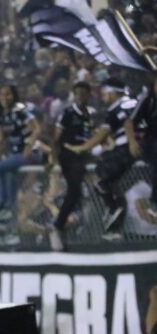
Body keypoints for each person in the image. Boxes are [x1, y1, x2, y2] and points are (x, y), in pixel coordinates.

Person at [66, 78, 140, 236]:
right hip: (144, 145)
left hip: (126, 147)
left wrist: (82, 148)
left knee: (99, 178)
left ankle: (114, 207)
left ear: (112, 93)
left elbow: (105, 133)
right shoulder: (135, 102)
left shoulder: (118, 108)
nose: (102, 96)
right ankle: (115, 215)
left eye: (104, 93)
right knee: (109, 180)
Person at [0, 84, 42, 220]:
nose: (5, 97)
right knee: (10, 175)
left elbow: (36, 129)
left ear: (14, 96)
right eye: (2, 94)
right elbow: (0, 136)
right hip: (15, 153)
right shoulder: (0, 114)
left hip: (29, 152)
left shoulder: (20, 110)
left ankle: (2, 204)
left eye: (8, 94)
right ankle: (10, 212)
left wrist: (29, 146)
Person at [48, 81, 96, 251]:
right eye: (77, 94)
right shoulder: (67, 113)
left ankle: (63, 228)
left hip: (84, 154)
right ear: (74, 96)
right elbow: (56, 138)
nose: (80, 96)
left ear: (89, 95)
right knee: (74, 190)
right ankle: (57, 226)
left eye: (83, 93)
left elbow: (93, 134)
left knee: (79, 193)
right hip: (69, 154)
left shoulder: (91, 114)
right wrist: (53, 159)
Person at [127, 75, 157, 219]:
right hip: (152, 140)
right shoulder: (147, 100)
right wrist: (132, 142)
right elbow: (130, 122)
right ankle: (155, 202)